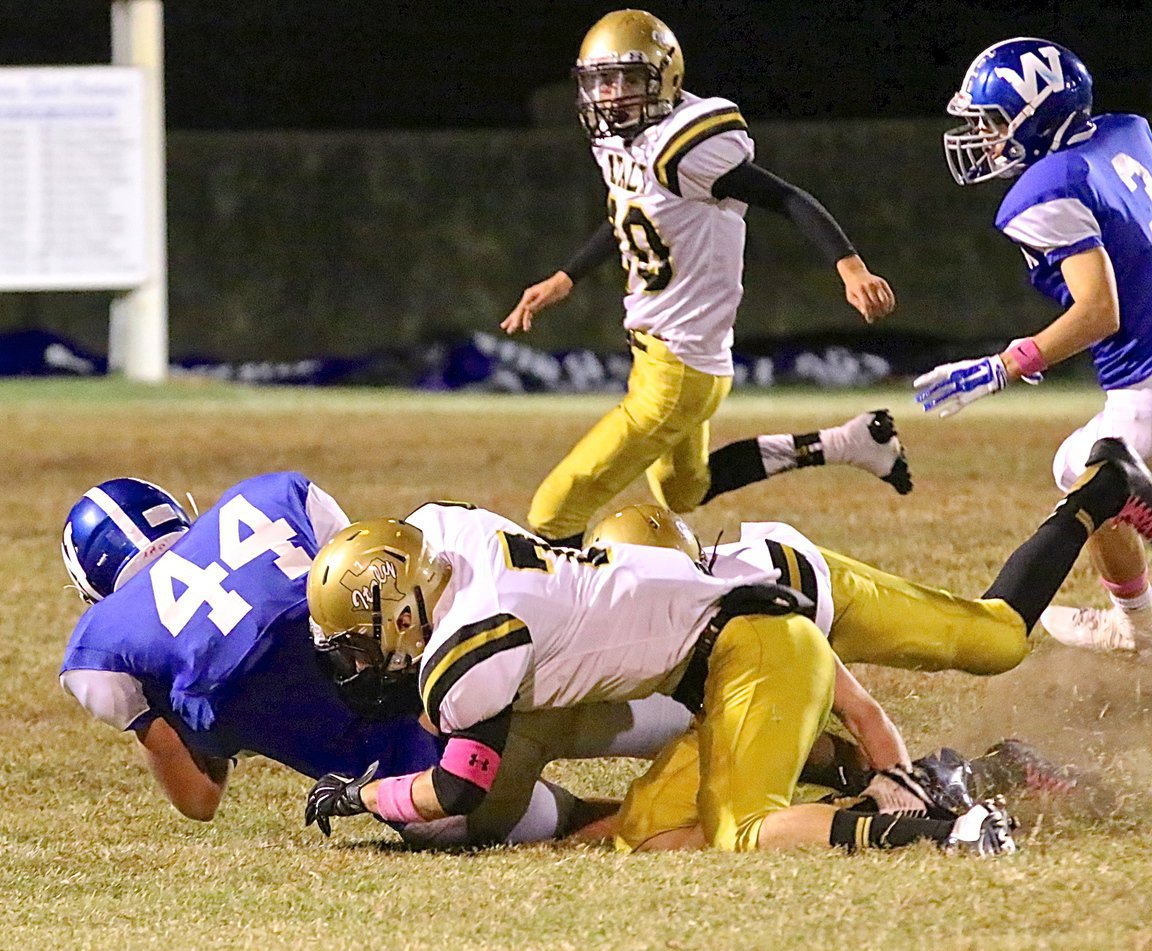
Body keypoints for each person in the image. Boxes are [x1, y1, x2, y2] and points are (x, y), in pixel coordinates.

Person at [310, 481, 1152, 854]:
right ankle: (973, 775)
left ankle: (950, 827)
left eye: (359, 639)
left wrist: (359, 795)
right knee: (656, 836)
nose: (357, 661)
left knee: (749, 827)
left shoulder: (476, 646)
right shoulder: (439, 533)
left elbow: (457, 790)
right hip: (730, 654)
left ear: (409, 605)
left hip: (775, 615)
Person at [59, 474, 691, 843]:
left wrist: (192, 713)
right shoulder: (273, 493)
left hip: (415, 779)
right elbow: (378, 581)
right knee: (653, 715)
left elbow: (199, 799)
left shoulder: (103, 648)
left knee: (579, 822)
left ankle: (696, 825)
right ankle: (762, 745)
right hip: (486, 673)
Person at [500, 9, 905, 547]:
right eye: (601, 82)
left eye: (627, 79)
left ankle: (569, 622)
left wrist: (849, 265)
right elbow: (632, 212)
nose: (612, 95)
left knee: (553, 511)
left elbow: (784, 196)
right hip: (672, 359)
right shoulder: (625, 141)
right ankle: (848, 443)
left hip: (678, 370)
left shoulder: (685, 145)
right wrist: (567, 276)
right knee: (682, 492)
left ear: (664, 79)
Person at [582, 462, 1137, 850]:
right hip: (758, 657)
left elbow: (860, 708)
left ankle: (1096, 494)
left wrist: (901, 786)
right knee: (679, 816)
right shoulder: (619, 627)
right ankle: (978, 771)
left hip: (819, 597)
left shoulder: (738, 608)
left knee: (997, 641)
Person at [916, 37, 1152, 655]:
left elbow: (1099, 312)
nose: (986, 137)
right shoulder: (1128, 132)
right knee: (1078, 461)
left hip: (1146, 378)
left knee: (1088, 471)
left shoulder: (1045, 190)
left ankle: (1140, 628)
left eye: (994, 121)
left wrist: (1003, 366)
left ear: (1038, 116)